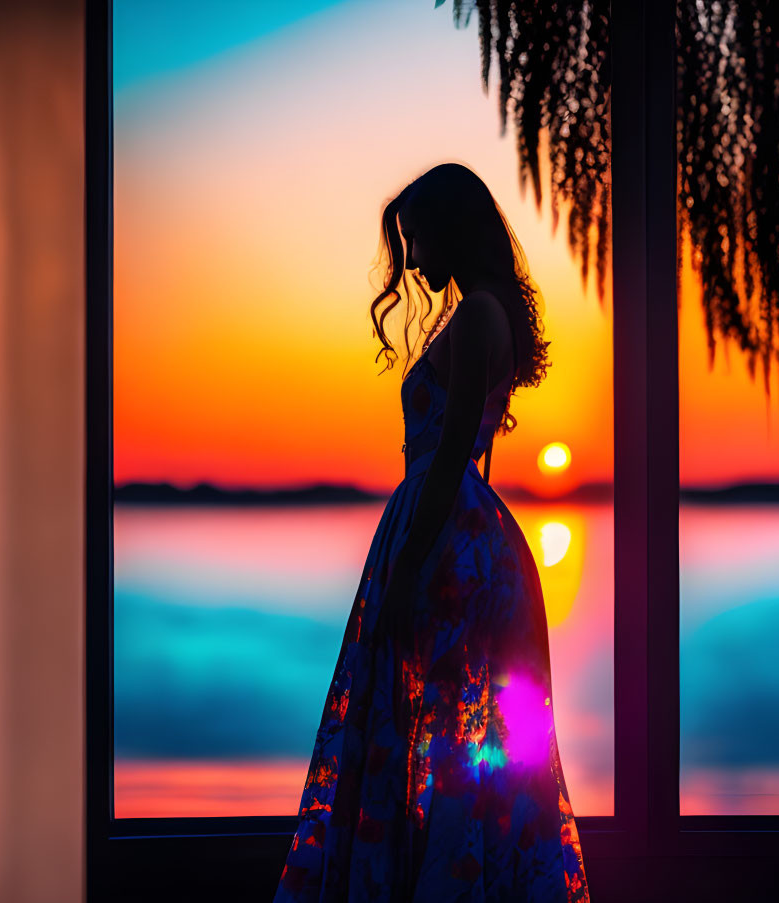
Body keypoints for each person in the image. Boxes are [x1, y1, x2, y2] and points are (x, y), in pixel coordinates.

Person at [273, 162, 591, 902]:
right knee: (439, 723)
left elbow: (452, 455)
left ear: (452, 226)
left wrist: (410, 564)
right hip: (451, 531)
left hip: (447, 538)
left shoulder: (478, 314)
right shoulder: (477, 312)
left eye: (416, 238)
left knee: (451, 730)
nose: (411, 260)